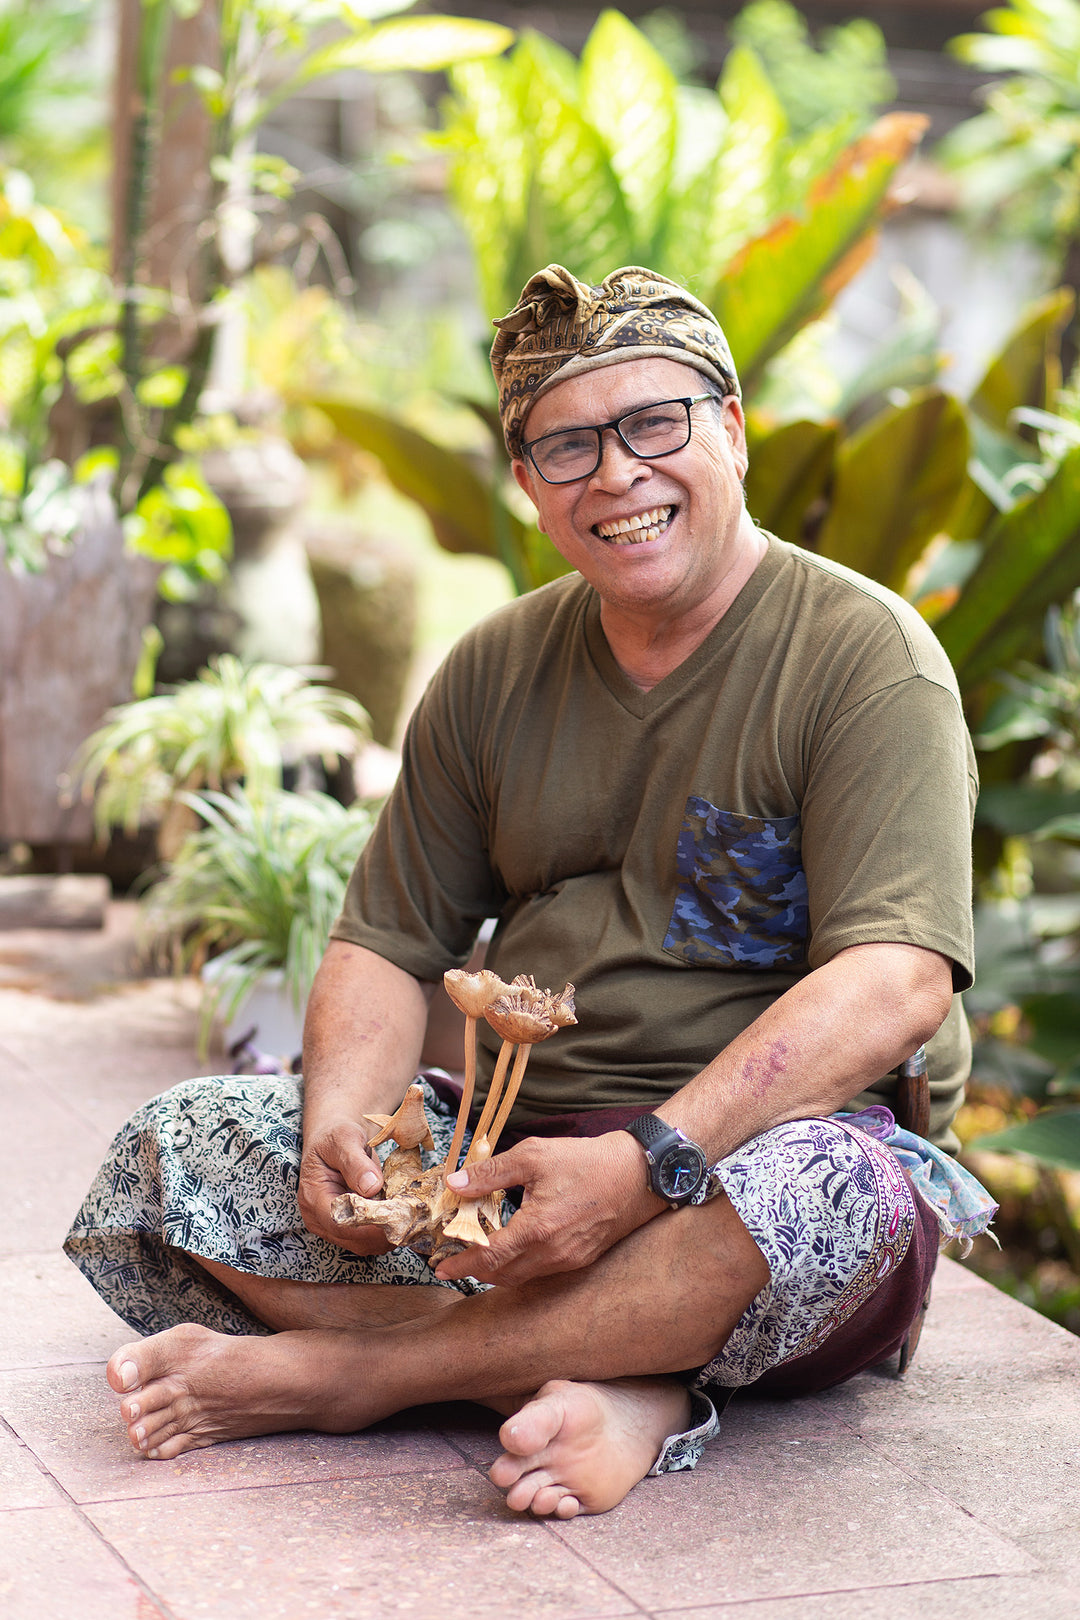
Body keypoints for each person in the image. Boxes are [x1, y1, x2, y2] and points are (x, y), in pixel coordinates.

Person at [65, 265, 995, 1520]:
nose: (617, 474)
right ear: (529, 486)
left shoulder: (866, 659)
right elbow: (389, 944)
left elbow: (899, 982)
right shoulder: (493, 668)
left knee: (823, 1204)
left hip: (740, 1162)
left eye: (654, 423)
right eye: (567, 445)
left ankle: (369, 1372)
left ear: (731, 429)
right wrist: (345, 1124)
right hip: (497, 1167)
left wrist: (647, 1166)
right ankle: (627, 1377)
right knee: (175, 1156)